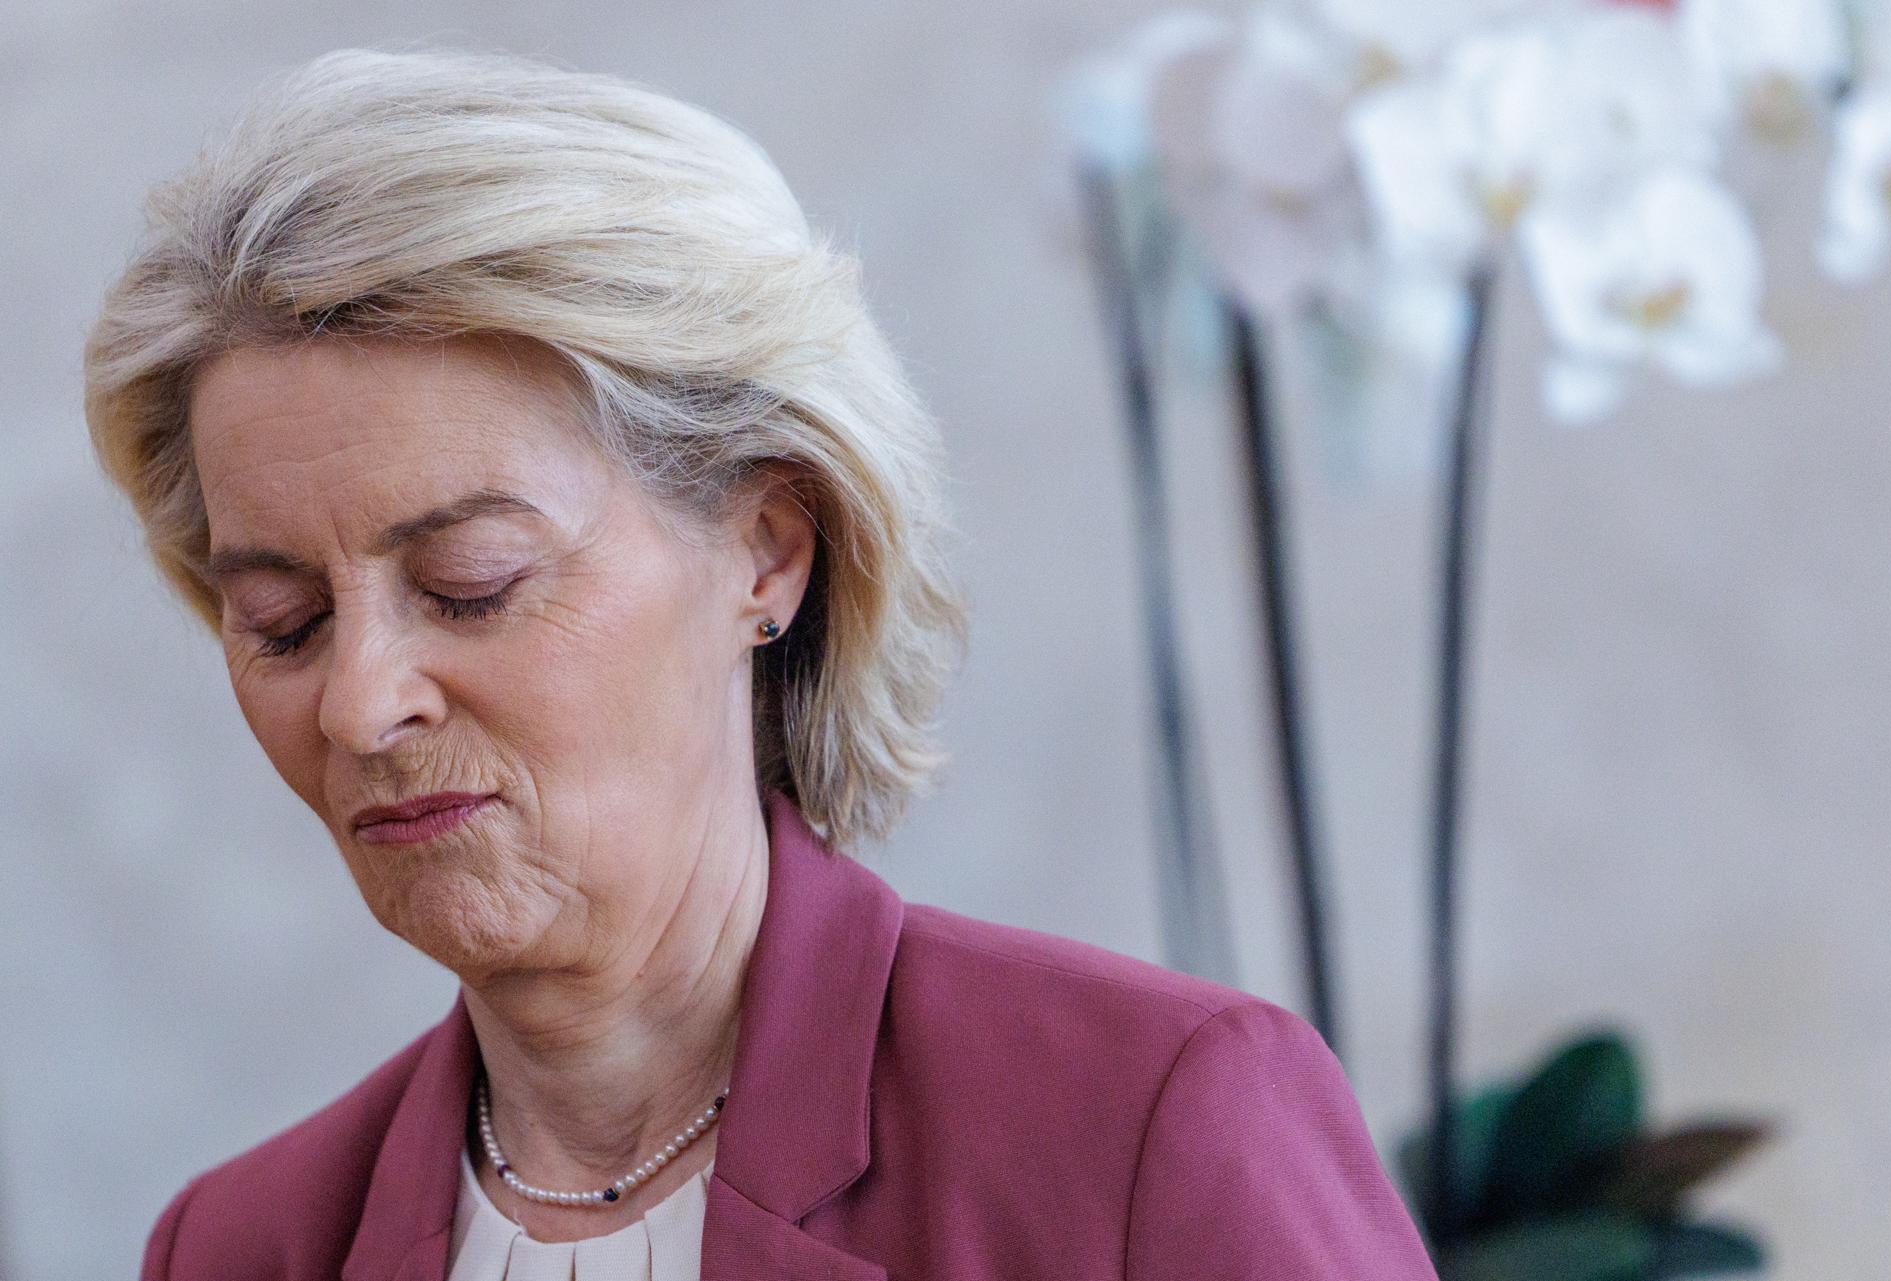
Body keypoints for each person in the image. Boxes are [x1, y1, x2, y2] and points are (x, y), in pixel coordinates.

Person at [84, 47, 1440, 1281]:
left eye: (470, 586)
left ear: (767, 551)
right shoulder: (237, 1245)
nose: (363, 699)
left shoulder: (1152, 1126)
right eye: (282, 621)